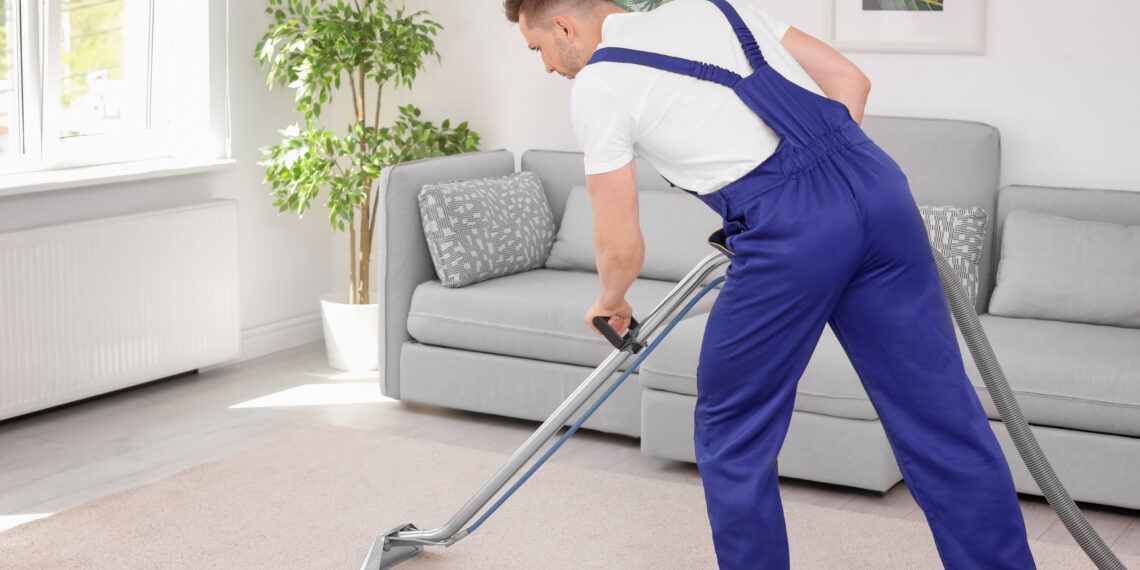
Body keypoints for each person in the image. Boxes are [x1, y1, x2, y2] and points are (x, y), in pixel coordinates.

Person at [504, 0, 1038, 568]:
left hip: (793, 232)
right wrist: (829, 180)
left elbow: (620, 245)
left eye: (538, 49)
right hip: (879, 189)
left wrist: (609, 301)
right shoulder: (712, 8)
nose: (547, 68)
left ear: (563, 25)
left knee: (732, 430)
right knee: (941, 416)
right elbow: (850, 81)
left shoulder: (600, 84)